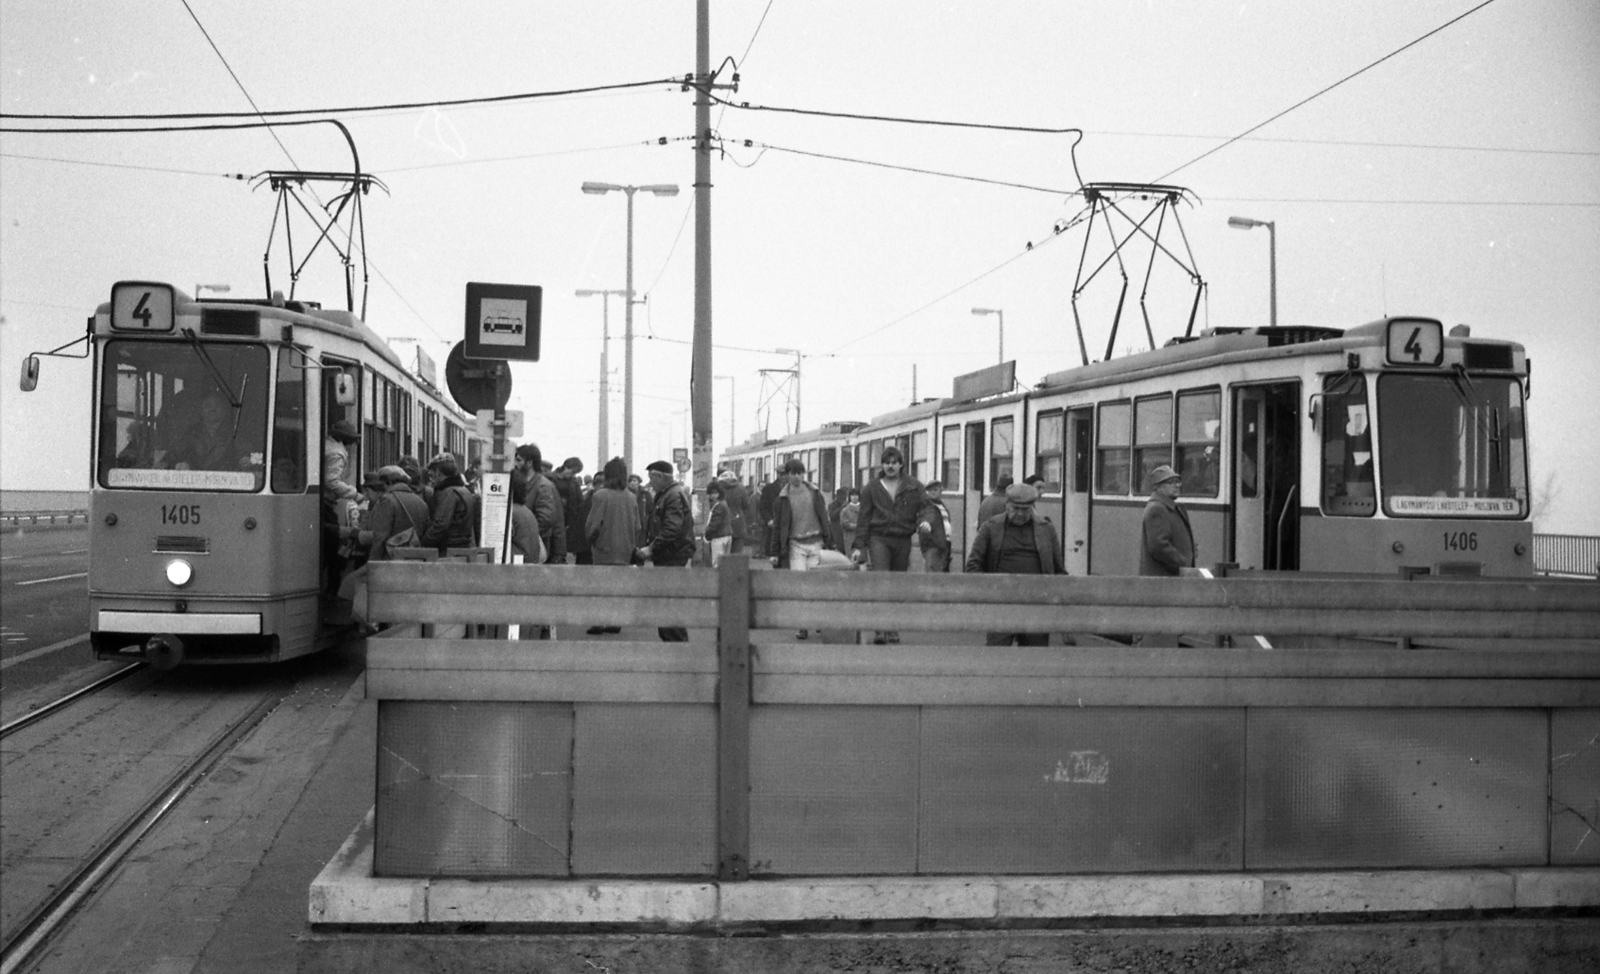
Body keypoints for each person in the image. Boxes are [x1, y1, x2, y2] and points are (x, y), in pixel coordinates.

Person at [852, 445, 937, 644]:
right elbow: (863, 519)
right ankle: (881, 629)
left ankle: (893, 628)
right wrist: (859, 546)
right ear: (882, 465)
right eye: (887, 463)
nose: (890, 466)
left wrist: (925, 522)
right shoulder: (871, 488)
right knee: (882, 581)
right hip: (878, 538)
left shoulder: (913, 486)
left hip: (902, 539)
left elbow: (926, 507)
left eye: (894, 462)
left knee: (898, 583)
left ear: (901, 464)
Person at [965, 482, 1067, 645]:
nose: (1020, 513)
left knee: (1034, 658)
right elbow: (973, 566)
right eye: (1015, 508)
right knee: (996, 656)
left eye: (1025, 509)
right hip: (1002, 605)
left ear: (1032, 507)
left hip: (1036, 605)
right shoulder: (990, 528)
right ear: (1007, 505)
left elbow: (1059, 571)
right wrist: (989, 594)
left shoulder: (1046, 529)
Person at [768, 458, 837, 639]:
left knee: (816, 586)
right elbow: (778, 528)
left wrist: (831, 541)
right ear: (787, 475)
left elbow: (824, 518)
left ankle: (817, 621)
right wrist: (774, 552)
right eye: (793, 473)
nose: (796, 476)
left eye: (799, 473)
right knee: (799, 586)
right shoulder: (782, 499)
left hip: (816, 543)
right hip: (795, 545)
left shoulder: (814, 493)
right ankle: (802, 625)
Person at [637, 460, 697, 642]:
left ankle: (677, 649)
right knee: (668, 603)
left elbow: (672, 528)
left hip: (672, 555)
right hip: (671, 554)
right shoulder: (669, 494)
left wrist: (651, 548)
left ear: (661, 477)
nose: (650, 482)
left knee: (669, 604)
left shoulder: (672, 496)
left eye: (652, 477)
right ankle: (674, 646)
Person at [356, 465, 430, 560]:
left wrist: (373, 562)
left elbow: (380, 537)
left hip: (391, 559)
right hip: (414, 558)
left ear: (388, 482)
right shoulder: (421, 502)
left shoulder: (387, 500)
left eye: (382, 484)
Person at [513, 442, 565, 563]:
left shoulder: (543, 486)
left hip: (540, 545)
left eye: (519, 460)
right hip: (531, 543)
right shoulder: (531, 484)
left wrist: (526, 533)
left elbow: (546, 519)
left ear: (529, 463)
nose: (515, 464)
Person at [1140, 464, 1195, 576]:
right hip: (1164, 580)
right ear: (1158, 487)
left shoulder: (1170, 507)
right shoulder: (1157, 509)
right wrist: (1182, 563)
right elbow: (1158, 547)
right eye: (1171, 482)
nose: (1177, 485)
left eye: (1177, 481)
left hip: (1172, 577)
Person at [419, 453, 478, 553]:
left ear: (438, 472)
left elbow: (440, 525)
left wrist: (423, 543)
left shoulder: (448, 494)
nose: (431, 480)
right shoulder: (465, 492)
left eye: (431, 475)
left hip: (447, 551)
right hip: (464, 549)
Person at [554, 457, 590, 565]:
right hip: (555, 520)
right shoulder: (550, 479)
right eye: (572, 471)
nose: (572, 475)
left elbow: (579, 503)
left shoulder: (574, 483)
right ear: (565, 467)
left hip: (568, 522)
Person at [920, 479, 954, 573]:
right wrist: (925, 524)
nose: (932, 492)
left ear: (940, 490)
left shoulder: (942, 506)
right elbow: (926, 518)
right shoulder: (927, 506)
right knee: (934, 572)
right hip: (933, 544)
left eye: (935, 489)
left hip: (944, 544)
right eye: (930, 490)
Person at [716, 469, 751, 555]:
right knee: (737, 554)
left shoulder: (718, 488)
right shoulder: (741, 487)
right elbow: (746, 505)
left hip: (722, 524)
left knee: (721, 554)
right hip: (738, 523)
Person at [704, 480, 734, 567]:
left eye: (714, 493)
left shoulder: (718, 506)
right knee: (725, 564)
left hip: (719, 537)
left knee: (717, 564)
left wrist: (706, 535)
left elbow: (714, 524)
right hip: (727, 535)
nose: (712, 496)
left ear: (719, 493)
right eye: (710, 494)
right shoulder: (724, 503)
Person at [839, 488, 861, 552]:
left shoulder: (864, 509)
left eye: (856, 495)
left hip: (862, 536)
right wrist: (857, 526)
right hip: (849, 537)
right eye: (852, 495)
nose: (854, 497)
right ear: (849, 497)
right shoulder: (845, 510)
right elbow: (844, 523)